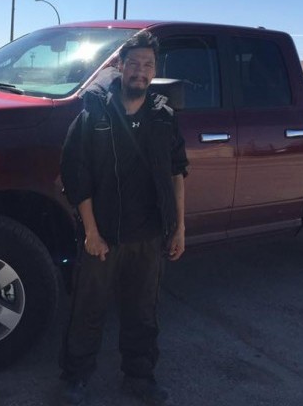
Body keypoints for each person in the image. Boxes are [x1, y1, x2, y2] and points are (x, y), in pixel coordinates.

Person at [59, 31, 188, 405]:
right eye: (134, 63)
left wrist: (179, 227)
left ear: (155, 71)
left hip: (148, 235)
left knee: (142, 313)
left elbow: (177, 173)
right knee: (88, 310)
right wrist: (91, 232)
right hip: (103, 236)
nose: (140, 71)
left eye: (148, 65)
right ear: (119, 66)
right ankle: (76, 378)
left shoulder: (163, 117)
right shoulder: (94, 113)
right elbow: (77, 176)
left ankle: (139, 376)